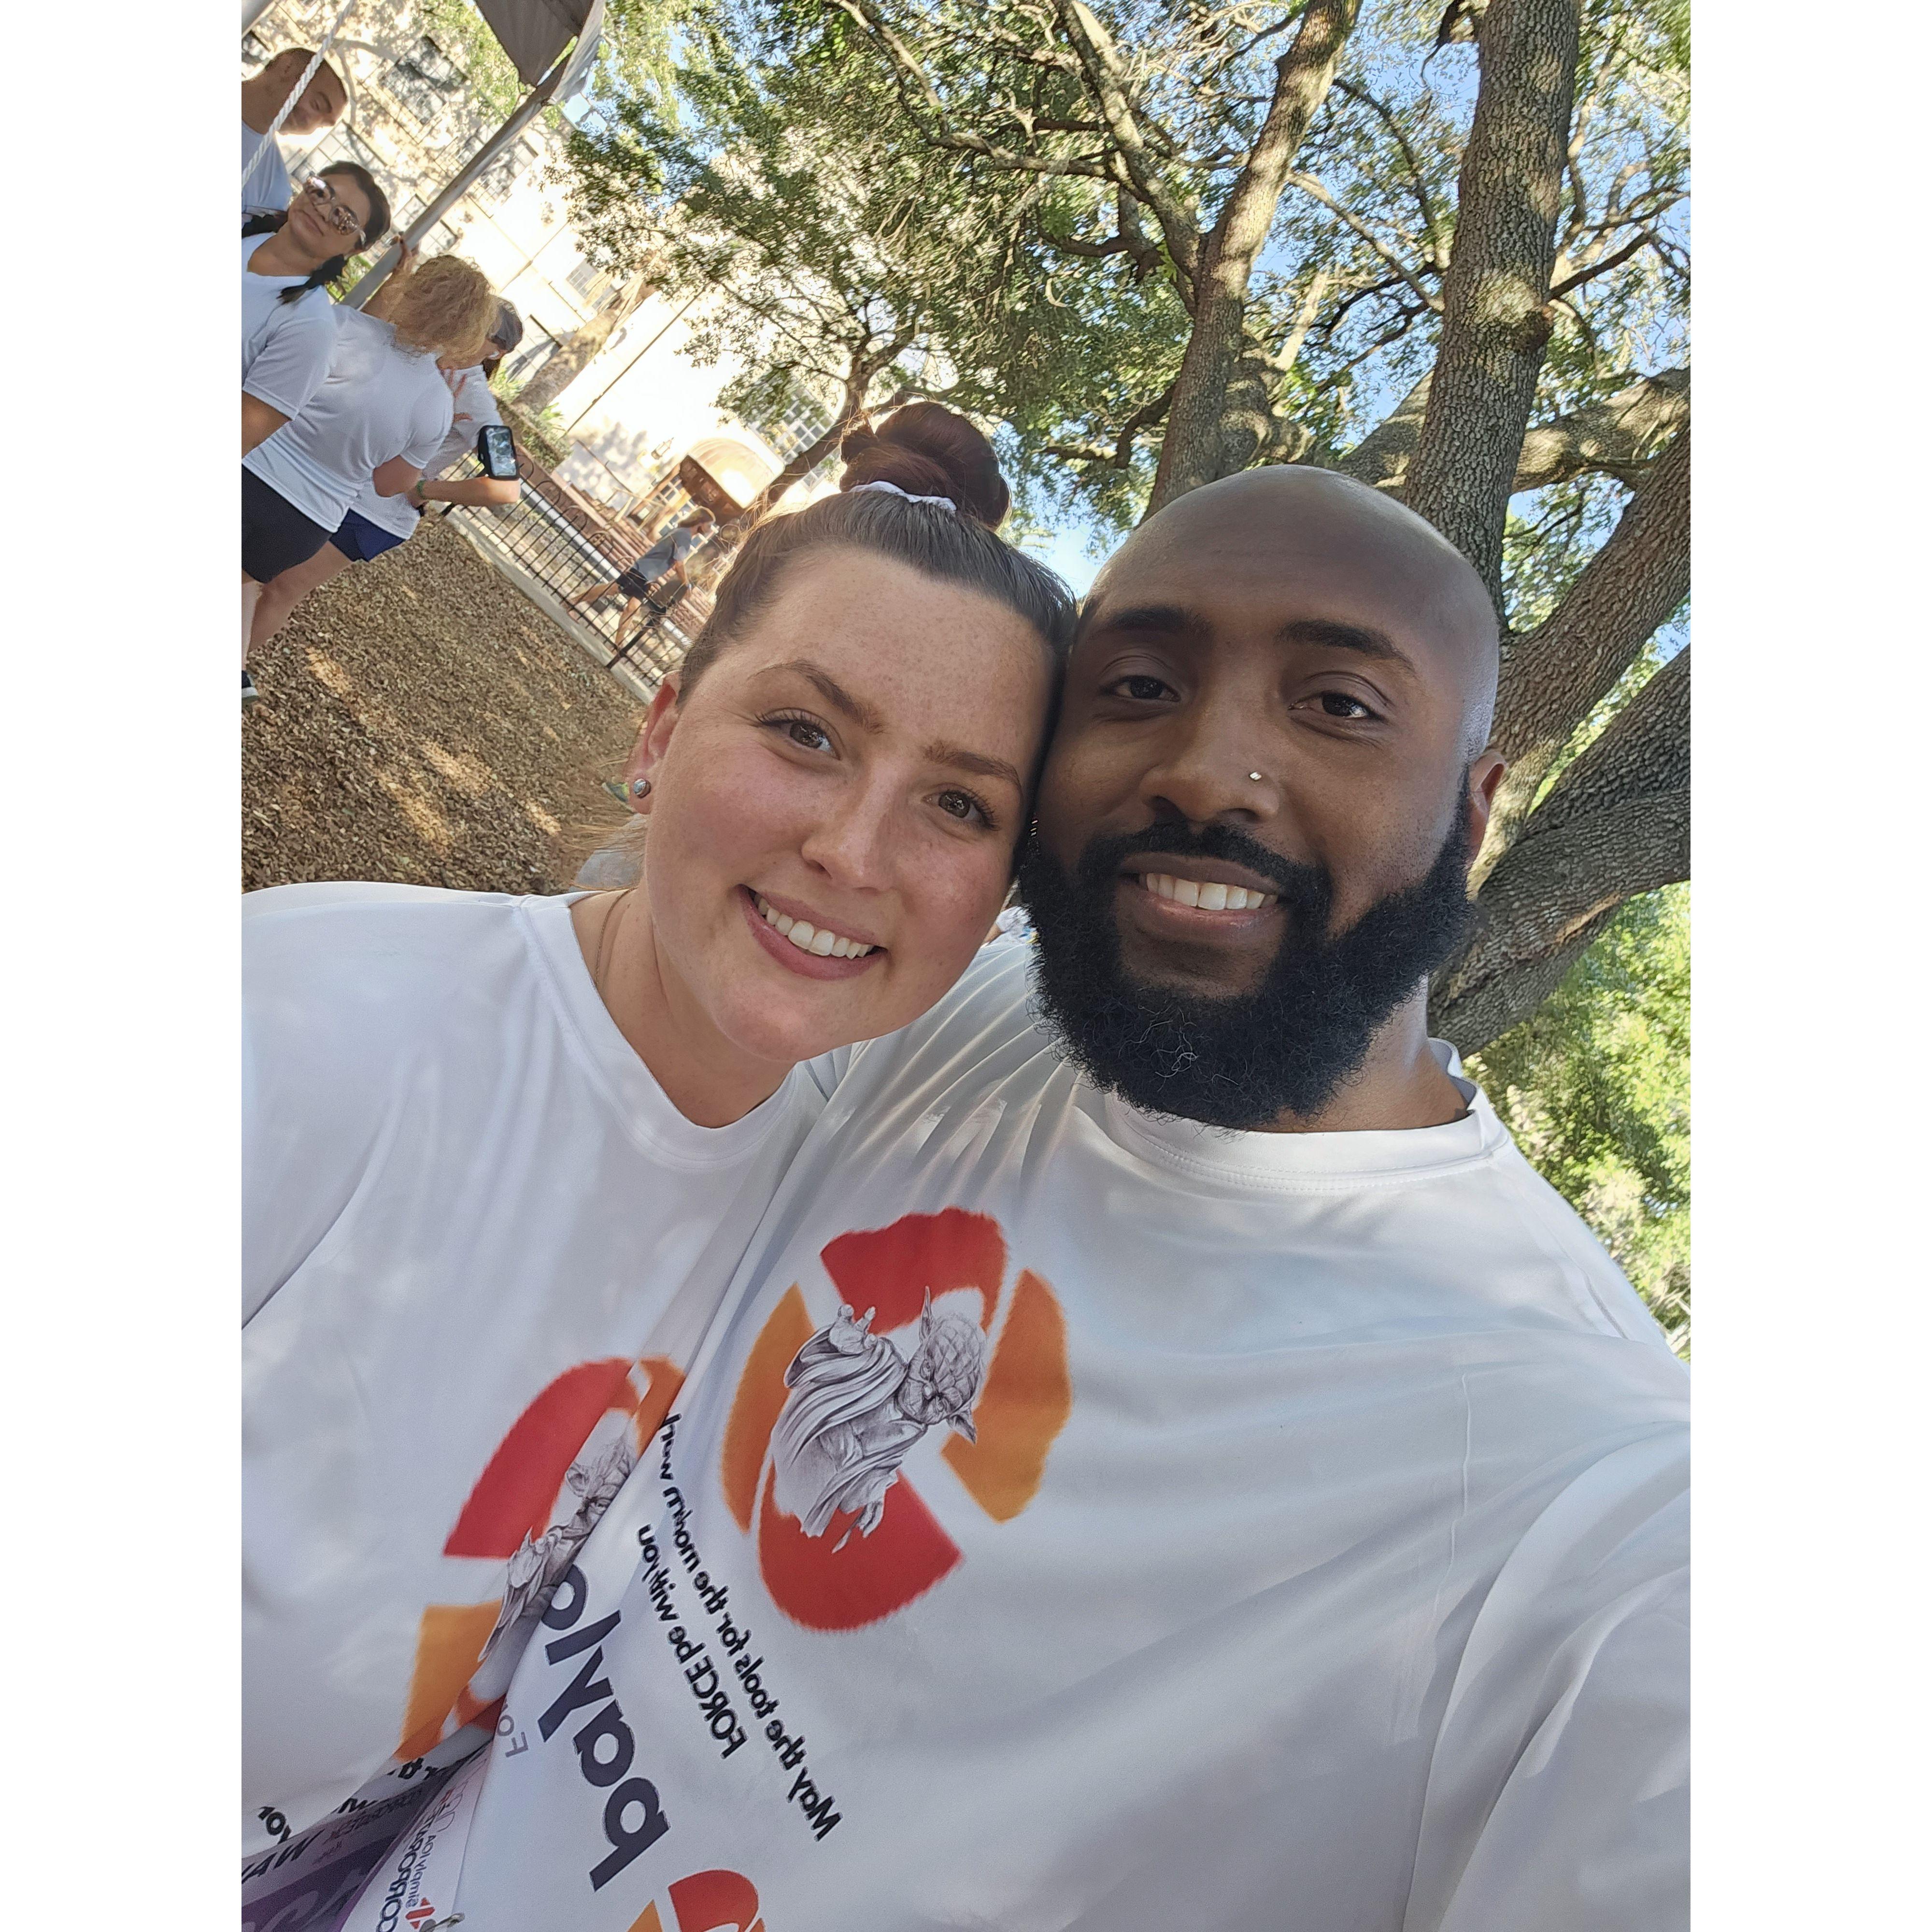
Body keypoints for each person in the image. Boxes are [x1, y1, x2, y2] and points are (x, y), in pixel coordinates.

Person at [366, 466, 1688, 1932]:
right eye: (1136, 684)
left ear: (1474, 804)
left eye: (1337, 704)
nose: (1204, 765)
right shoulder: (947, 1014)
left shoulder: (1593, 1497)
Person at [240, 407, 1075, 1918]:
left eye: (959, 804)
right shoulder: (303, 1025)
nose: (855, 848)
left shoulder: (838, 1244)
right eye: (806, 732)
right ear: (659, 730)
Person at [242, 254, 496, 692]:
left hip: (255, 471)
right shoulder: (438, 405)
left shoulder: (342, 327)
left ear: (417, 292)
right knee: (246, 584)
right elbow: (389, 483)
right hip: (308, 522)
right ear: (468, 333)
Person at [243, 167, 389, 457]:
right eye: (322, 191)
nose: (323, 210)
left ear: (356, 249)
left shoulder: (309, 328)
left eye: (344, 219)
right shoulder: (241, 224)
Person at [565, 505, 718, 660]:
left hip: (647, 575)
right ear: (700, 522)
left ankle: (617, 645)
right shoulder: (685, 537)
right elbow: (679, 564)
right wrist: (687, 585)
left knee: (631, 607)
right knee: (611, 591)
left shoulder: (682, 533)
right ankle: (573, 603)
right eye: (710, 525)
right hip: (642, 572)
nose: (710, 529)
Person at [243, 45, 349, 215]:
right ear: (287, 67)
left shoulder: (274, 189)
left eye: (322, 125)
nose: (311, 123)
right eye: (317, 105)